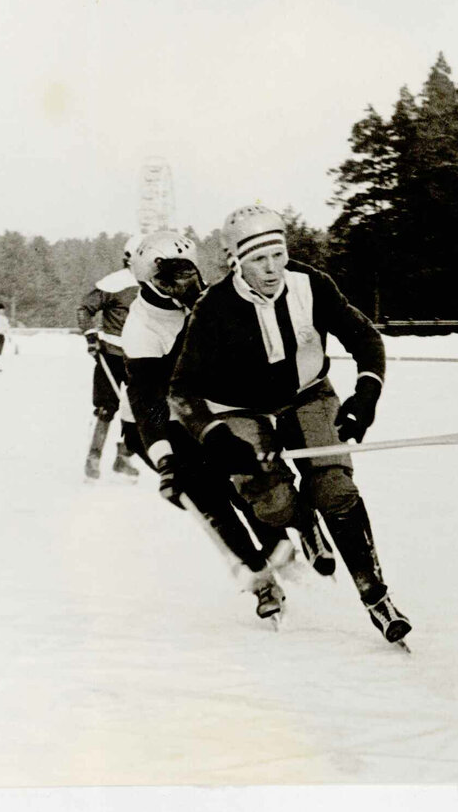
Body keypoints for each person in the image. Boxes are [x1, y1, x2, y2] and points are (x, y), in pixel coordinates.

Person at [168, 205, 411, 645]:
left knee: (334, 489)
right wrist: (215, 436)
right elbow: (182, 390)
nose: (272, 268)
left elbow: (364, 337)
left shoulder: (311, 283)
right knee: (273, 505)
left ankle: (375, 594)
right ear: (235, 260)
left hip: (309, 394)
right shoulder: (214, 307)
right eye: (259, 259)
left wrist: (366, 395)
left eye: (278, 254)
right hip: (241, 410)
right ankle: (303, 523)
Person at [122, 230, 295, 622]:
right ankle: (260, 579)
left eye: (192, 275)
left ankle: (275, 542)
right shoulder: (141, 328)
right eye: (175, 279)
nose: (189, 286)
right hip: (156, 426)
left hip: (199, 411)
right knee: (206, 493)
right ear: (153, 281)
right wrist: (166, 463)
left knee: (239, 474)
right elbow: (149, 404)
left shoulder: (202, 301)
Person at [78, 235, 144, 481]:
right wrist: (91, 335)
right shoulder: (115, 283)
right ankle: (93, 460)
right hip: (112, 356)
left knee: (142, 410)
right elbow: (85, 308)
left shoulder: (156, 284)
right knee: (107, 409)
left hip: (143, 358)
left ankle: (124, 458)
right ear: (129, 258)